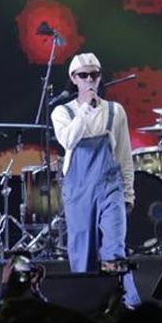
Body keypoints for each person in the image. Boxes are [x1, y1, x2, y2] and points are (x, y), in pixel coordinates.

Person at [51, 52, 140, 308]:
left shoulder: (115, 111)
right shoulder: (62, 112)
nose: (90, 79)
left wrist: (128, 194)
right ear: (73, 78)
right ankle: (87, 308)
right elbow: (68, 140)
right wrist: (86, 110)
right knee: (83, 254)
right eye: (84, 75)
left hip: (109, 187)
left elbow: (124, 154)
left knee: (115, 248)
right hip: (78, 190)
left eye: (94, 74)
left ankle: (124, 306)